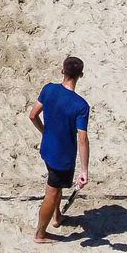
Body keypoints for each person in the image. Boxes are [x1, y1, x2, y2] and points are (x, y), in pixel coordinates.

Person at [29, 56, 91, 243]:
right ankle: (40, 234)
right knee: (52, 192)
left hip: (47, 149)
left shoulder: (49, 89)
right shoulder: (81, 105)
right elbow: (82, 138)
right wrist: (84, 170)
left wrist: (44, 132)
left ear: (62, 71)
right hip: (62, 157)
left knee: (56, 186)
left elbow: (32, 115)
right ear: (81, 75)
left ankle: (57, 217)